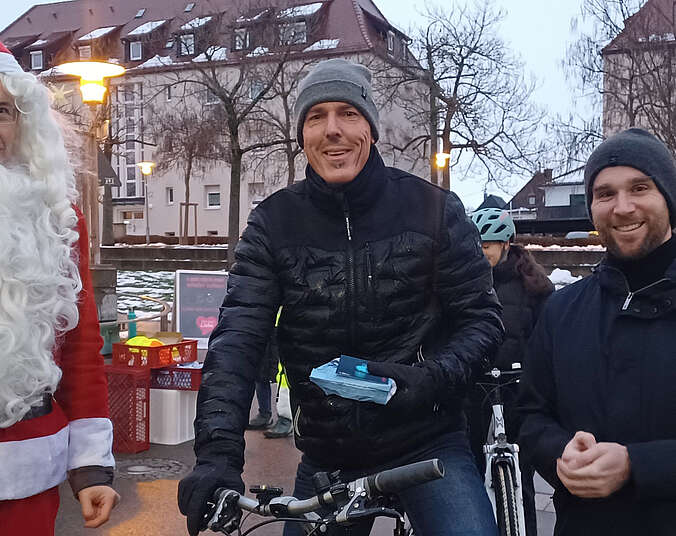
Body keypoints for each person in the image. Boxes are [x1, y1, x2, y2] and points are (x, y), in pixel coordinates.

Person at [178, 58, 503, 536]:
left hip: (428, 442)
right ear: (303, 134)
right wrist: (217, 456)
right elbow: (237, 342)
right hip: (330, 454)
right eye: (316, 117)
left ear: (370, 128)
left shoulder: (433, 208)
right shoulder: (273, 223)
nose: (333, 130)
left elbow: (483, 320)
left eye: (348, 114)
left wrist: (427, 380)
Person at [518, 127, 676, 535]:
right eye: (605, 194)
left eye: (640, 188)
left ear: (668, 199)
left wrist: (637, 465)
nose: (622, 208)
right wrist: (559, 455)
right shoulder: (562, 311)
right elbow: (533, 415)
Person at [0, 42, 119, 533]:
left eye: (1, 111)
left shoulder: (56, 219)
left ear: (23, 125)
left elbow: (81, 347)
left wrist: (90, 464)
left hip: (22, 473)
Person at [469, 208, 554, 536]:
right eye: (477, 245)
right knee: (470, 459)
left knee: (522, 473)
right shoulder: (468, 281)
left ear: (506, 244)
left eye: (488, 246)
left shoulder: (533, 284)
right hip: (476, 381)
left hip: (518, 383)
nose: (482, 252)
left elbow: (546, 335)